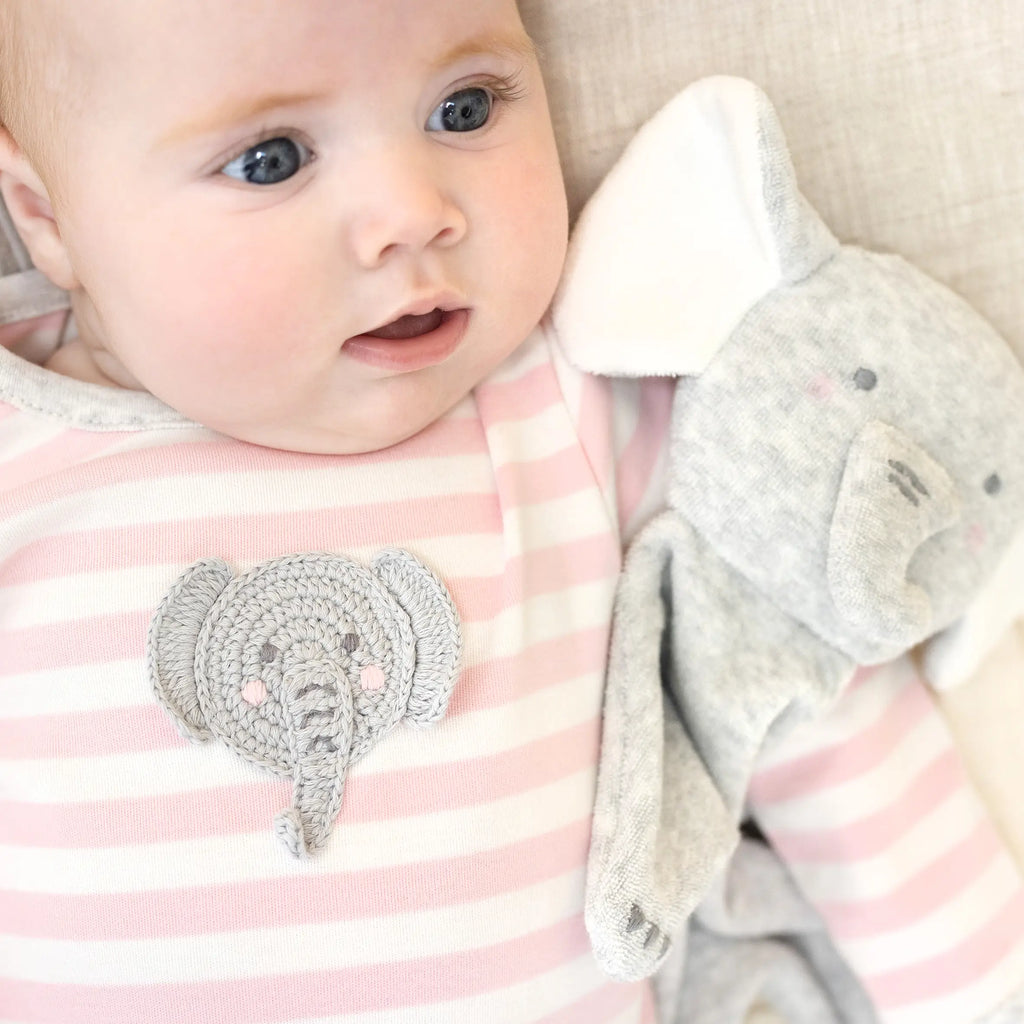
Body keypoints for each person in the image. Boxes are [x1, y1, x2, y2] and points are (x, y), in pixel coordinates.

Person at [0, 0, 669, 1020]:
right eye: (271, 159)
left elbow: (780, 664)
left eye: (464, 107)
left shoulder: (570, 407)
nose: (413, 209)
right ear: (47, 218)